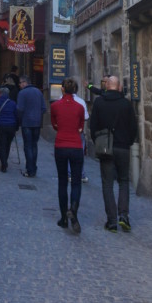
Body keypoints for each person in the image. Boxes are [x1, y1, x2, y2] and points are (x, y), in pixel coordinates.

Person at [90, 75, 138, 232]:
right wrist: (128, 141)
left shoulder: (99, 102)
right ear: (118, 87)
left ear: (106, 86)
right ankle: (124, 215)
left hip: (106, 147)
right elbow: (133, 127)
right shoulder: (126, 104)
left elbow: (93, 126)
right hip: (123, 147)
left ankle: (111, 220)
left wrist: (98, 141)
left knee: (107, 183)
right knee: (124, 181)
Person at [50, 78, 85, 232]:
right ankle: (74, 211)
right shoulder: (79, 108)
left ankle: (64, 218)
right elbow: (80, 128)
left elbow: (54, 125)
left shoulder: (55, 106)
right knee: (76, 182)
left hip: (61, 145)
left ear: (63, 89)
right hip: (76, 146)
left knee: (62, 182)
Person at [15, 75, 47, 177]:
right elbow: (43, 108)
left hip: (26, 122)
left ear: (25, 83)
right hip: (37, 123)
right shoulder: (38, 92)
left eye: (20, 83)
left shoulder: (22, 93)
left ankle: (30, 169)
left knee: (28, 146)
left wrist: (20, 119)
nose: (19, 85)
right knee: (34, 145)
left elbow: (19, 109)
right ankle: (34, 167)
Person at [0, 86, 18, 172]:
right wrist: (16, 126)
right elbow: (17, 115)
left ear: (0, 94)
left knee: (2, 145)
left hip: (1, 126)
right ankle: (5, 160)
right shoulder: (13, 103)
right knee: (8, 144)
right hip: (11, 126)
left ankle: (4, 164)